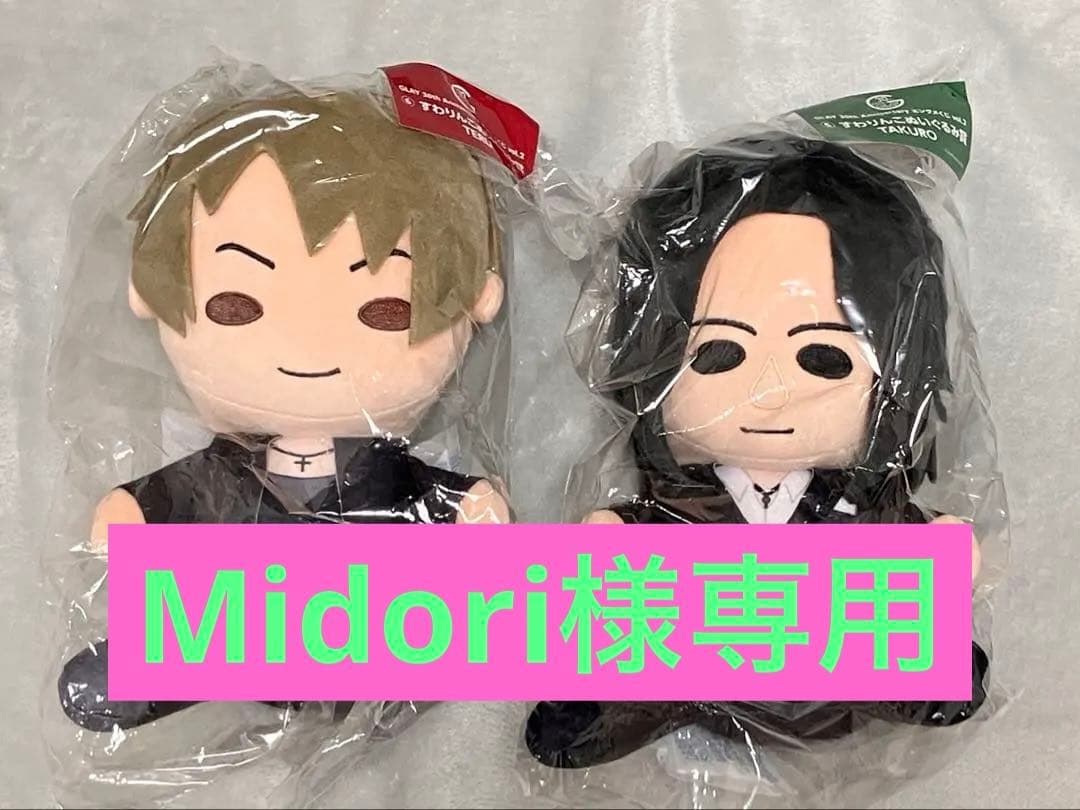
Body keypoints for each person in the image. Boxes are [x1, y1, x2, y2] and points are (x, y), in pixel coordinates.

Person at [527, 134, 988, 769]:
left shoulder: (858, 501)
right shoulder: (681, 501)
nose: (771, 394)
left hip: (832, 658)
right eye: (721, 354)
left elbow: (895, 541)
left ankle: (909, 672)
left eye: (822, 358)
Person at [59, 87, 509, 732]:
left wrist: (465, 507)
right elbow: (179, 493)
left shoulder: (385, 473)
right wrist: (134, 511)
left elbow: (426, 498)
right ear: (149, 291)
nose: (310, 342)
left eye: (382, 311)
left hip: (365, 621)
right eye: (237, 306)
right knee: (205, 620)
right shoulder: (225, 471)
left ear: (477, 301)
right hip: (238, 616)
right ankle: (174, 658)